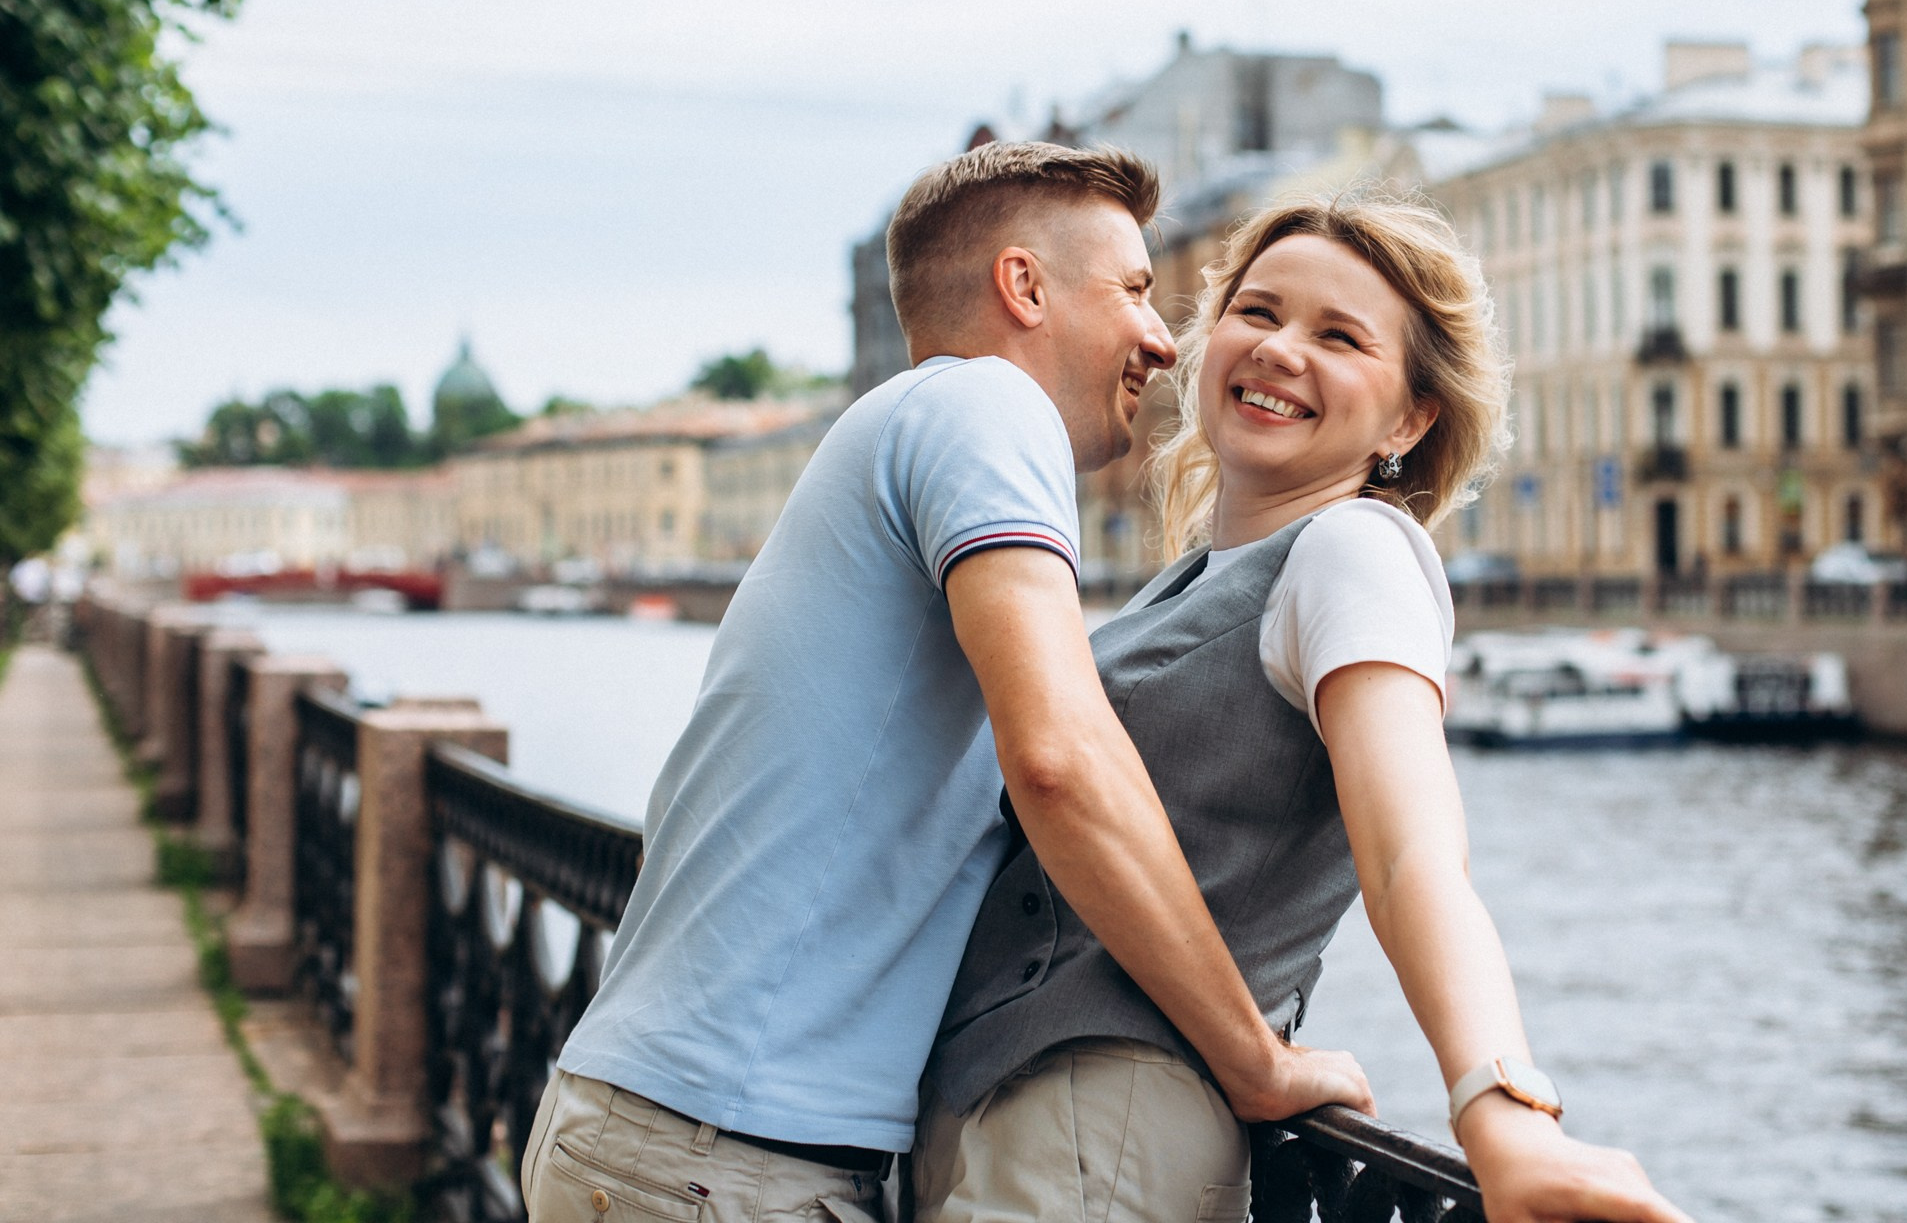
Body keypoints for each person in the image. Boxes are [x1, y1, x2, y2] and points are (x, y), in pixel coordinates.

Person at [521, 143, 1369, 1223]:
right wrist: (1255, 1058)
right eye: (1133, 290)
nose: (1161, 341)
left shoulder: (899, 428)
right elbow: (1060, 760)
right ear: (1024, 287)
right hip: (721, 1158)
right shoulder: (988, 408)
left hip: (669, 1133)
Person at [918, 191, 1693, 1223]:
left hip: (1103, 1131)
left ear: (1411, 418)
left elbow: (1413, 858)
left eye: (1339, 337)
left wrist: (1504, 1111)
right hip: (1004, 1116)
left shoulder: (1354, 551)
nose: (1280, 349)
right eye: (1258, 311)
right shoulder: (1188, 581)